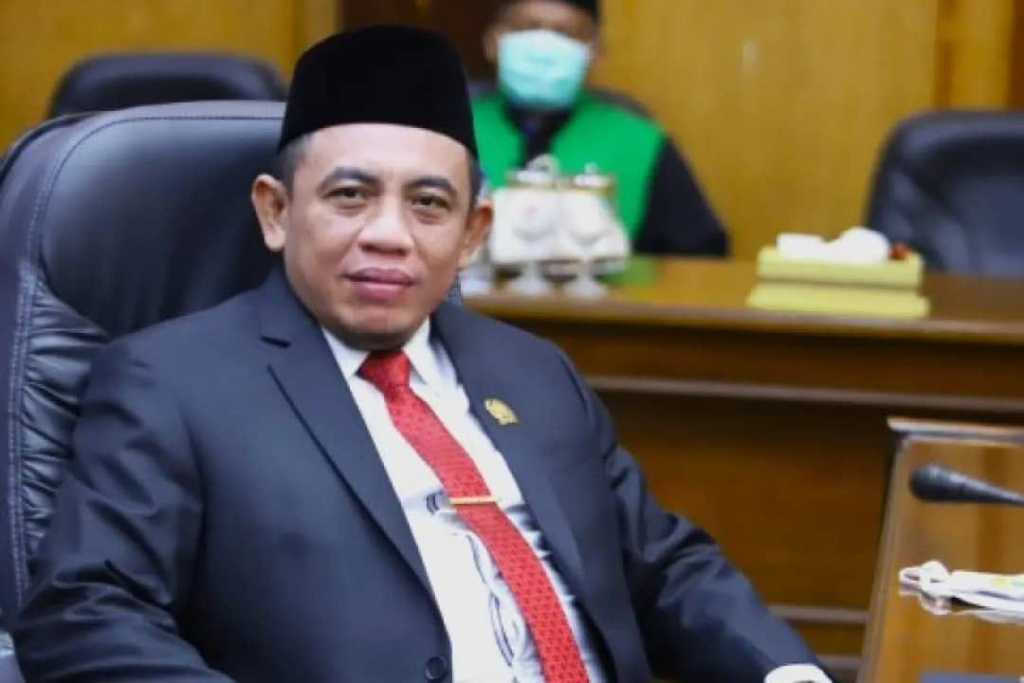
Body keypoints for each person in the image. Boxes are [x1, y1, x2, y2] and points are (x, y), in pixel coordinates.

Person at [12, 26, 828, 682]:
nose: (389, 235)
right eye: (350, 195)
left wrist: (787, 672)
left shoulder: (535, 371)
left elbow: (663, 562)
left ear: (472, 233)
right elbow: (87, 610)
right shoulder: (171, 381)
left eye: (429, 204)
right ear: (275, 212)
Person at [474, 0, 729, 257]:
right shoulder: (456, 128)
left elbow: (701, 254)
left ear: (594, 52)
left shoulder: (640, 141)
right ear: (493, 42)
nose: (543, 46)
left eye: (564, 33)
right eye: (529, 28)